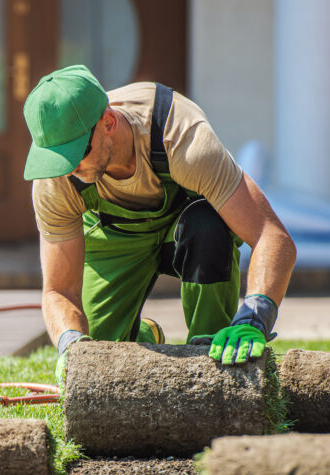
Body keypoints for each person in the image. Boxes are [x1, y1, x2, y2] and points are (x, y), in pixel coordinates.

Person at [23, 65, 296, 375]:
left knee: (207, 224)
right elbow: (59, 290)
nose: (68, 169)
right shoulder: (55, 180)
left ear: (108, 122)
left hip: (185, 229)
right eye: (57, 158)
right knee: (97, 359)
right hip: (114, 238)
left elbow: (271, 237)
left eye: (76, 154)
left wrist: (254, 316)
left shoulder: (182, 138)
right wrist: (70, 344)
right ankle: (143, 336)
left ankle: (211, 351)